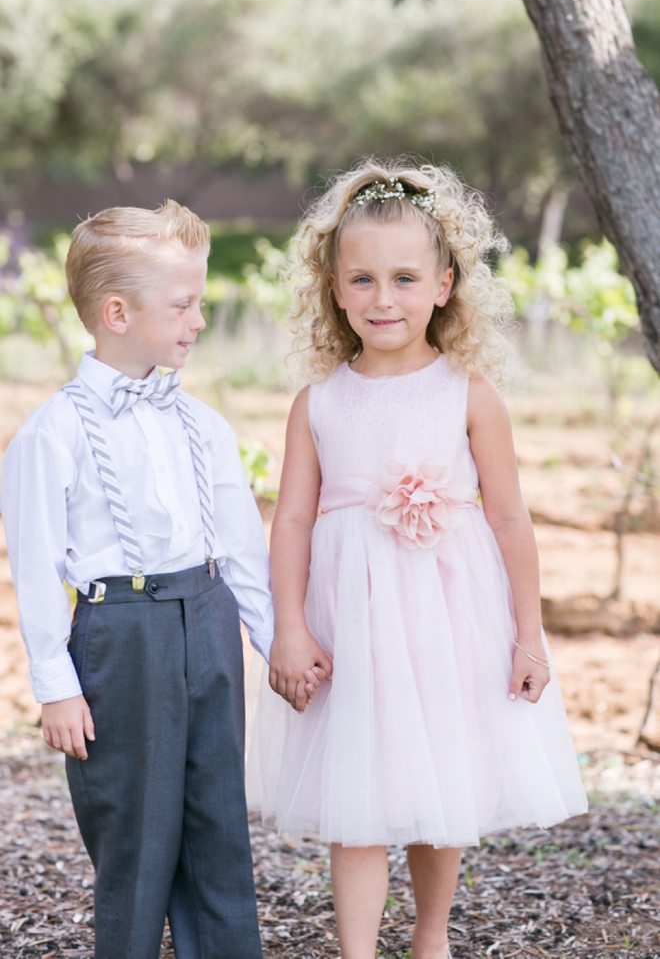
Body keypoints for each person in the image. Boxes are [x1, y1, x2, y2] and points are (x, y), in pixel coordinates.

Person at [259, 162, 588, 959]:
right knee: (357, 786)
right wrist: (290, 628)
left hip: (448, 619)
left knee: (442, 774)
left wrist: (528, 632)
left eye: (405, 278)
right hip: (352, 628)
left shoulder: (468, 393)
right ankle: (356, 950)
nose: (383, 299)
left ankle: (430, 937)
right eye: (362, 279)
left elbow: (509, 517)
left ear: (444, 285)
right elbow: (294, 520)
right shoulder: (320, 401)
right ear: (334, 288)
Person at [1, 201, 326, 959]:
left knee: (218, 822)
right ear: (117, 312)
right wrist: (55, 683)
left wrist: (278, 640)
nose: (199, 319)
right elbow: (38, 567)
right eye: (183, 304)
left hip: (206, 621)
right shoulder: (52, 433)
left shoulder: (202, 425)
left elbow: (242, 548)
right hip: (120, 637)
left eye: (199, 302)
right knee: (136, 830)